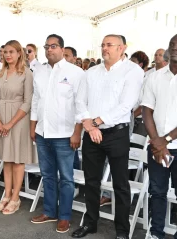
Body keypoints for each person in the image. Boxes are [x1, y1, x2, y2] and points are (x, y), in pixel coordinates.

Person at [72, 34, 144, 239]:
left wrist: (94, 122)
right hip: (91, 134)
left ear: (122, 48)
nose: (104, 48)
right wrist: (89, 124)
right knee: (91, 181)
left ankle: (122, 230)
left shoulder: (133, 71)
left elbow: (125, 106)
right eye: (102, 45)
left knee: (120, 184)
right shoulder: (92, 72)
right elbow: (80, 101)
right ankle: (90, 223)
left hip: (116, 134)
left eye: (109, 45)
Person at [30, 34, 84, 233]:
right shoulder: (39, 71)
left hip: (65, 134)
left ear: (62, 49)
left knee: (66, 178)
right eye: (46, 46)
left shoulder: (75, 73)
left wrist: (77, 132)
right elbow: (36, 100)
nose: (49, 50)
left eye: (53, 46)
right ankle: (49, 211)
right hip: (43, 132)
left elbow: (80, 105)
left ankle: (64, 216)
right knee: (47, 175)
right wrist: (33, 126)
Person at [0, 40, 34, 214]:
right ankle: (6, 195)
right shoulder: (0, 73)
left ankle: (16, 197)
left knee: (18, 159)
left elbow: (28, 101)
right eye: (5, 52)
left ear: (19, 54)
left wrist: (9, 123)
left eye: (11, 52)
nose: (8, 55)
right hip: (0, 118)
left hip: (19, 120)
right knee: (6, 159)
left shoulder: (27, 74)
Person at [141, 34, 177, 239]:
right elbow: (146, 110)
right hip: (157, 147)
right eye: (172, 45)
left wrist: (166, 140)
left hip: (171, 144)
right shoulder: (154, 76)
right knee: (157, 191)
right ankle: (156, 233)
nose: (175, 48)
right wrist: (157, 141)